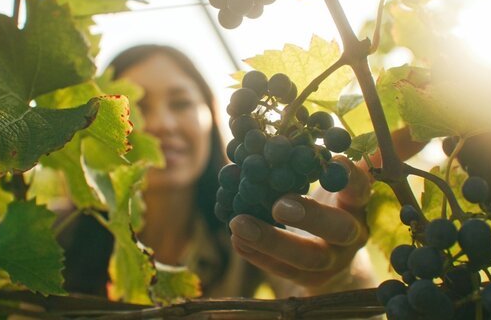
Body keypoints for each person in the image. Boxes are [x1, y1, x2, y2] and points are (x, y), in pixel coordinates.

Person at [57, 44, 418, 299]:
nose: (162, 123)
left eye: (181, 102)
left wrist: (331, 279)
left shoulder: (244, 228)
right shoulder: (58, 236)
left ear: (209, 119)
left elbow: (319, 296)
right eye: (134, 106)